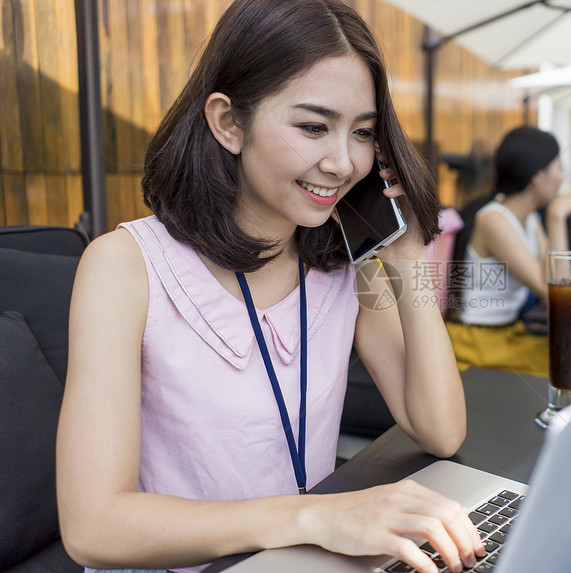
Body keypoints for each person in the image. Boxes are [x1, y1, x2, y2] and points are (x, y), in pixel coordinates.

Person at [55, 2, 485, 573]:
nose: (342, 162)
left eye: (362, 133)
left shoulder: (343, 263)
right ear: (228, 123)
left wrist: (406, 253)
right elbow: (93, 527)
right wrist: (315, 517)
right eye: (313, 126)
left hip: (306, 558)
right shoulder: (123, 266)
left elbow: (441, 428)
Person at [445, 126, 571, 377]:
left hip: (509, 333)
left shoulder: (530, 218)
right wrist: (556, 216)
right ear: (537, 175)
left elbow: (562, 283)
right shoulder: (494, 220)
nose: (561, 178)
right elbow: (552, 291)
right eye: (558, 168)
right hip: (477, 341)